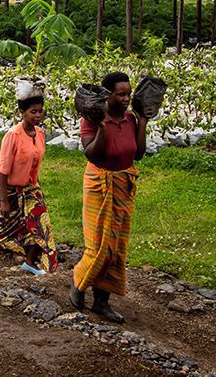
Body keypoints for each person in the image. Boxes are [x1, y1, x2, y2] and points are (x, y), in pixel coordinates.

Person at [70, 71, 147, 323]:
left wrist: (143, 121)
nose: (126, 98)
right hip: (99, 185)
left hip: (124, 186)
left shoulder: (130, 119)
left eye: (129, 93)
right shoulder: (91, 120)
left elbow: (138, 155)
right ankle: (78, 284)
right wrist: (102, 126)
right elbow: (92, 154)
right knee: (98, 245)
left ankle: (102, 302)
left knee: (116, 248)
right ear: (107, 95)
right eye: (121, 94)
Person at [0, 79, 58, 275]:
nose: (37, 115)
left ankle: (30, 261)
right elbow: (4, 169)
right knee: (3, 224)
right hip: (7, 187)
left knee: (40, 222)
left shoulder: (40, 133)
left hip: (30, 186)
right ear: (22, 113)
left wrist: (33, 185)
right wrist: (5, 201)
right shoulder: (13, 136)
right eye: (33, 112)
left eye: (40, 111)